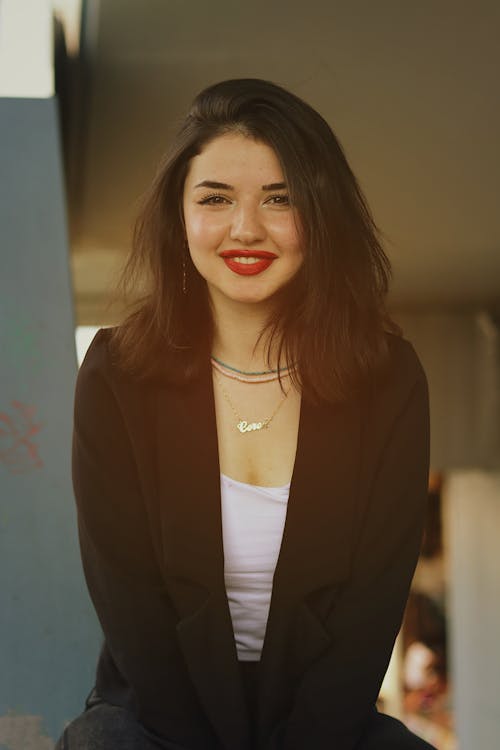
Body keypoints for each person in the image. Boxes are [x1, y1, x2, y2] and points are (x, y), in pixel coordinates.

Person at [55, 79, 435, 750]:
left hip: (323, 722)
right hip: (156, 720)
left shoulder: (388, 379)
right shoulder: (117, 374)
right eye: (216, 199)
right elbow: (131, 607)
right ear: (179, 218)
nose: (246, 229)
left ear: (323, 216)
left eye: (280, 199)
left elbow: (372, 610)